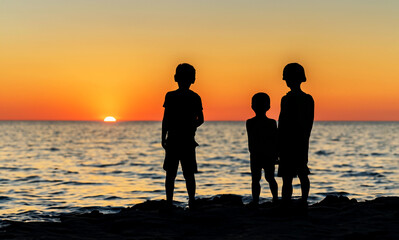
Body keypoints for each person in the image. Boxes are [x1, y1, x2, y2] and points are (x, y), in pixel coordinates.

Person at [161, 63, 204, 208]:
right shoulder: (195, 97)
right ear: (193, 79)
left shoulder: (171, 96)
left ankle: (169, 202)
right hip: (186, 140)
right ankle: (191, 201)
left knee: (171, 174)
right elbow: (201, 119)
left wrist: (163, 137)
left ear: (175, 78)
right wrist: (191, 126)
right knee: (188, 173)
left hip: (174, 139)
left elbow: (165, 119)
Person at [277, 63, 314, 205]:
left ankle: (292, 201)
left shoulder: (287, 99)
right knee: (299, 173)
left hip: (291, 141)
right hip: (299, 141)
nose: (286, 81)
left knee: (291, 175)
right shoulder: (305, 99)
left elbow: (283, 122)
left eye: (287, 78)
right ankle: (301, 200)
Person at [246, 92, 278, 205]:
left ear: (252, 106)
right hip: (264, 154)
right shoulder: (271, 123)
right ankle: (274, 199)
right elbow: (275, 140)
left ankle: (257, 201)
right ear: (268, 106)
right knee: (268, 178)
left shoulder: (250, 122)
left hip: (258, 154)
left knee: (258, 179)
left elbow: (252, 141)